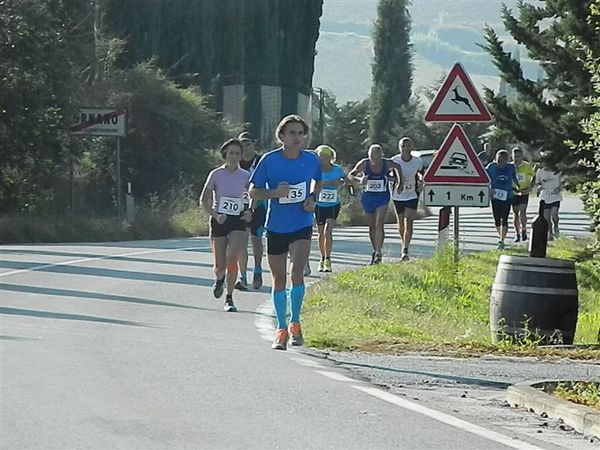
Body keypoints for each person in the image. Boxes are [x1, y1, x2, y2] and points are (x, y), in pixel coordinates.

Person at [248, 115, 322, 350]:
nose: (297, 137)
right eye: (292, 133)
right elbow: (253, 192)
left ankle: (295, 324)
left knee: (296, 274)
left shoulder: (311, 160)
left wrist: (312, 198)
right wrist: (274, 194)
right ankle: (280, 328)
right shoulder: (269, 161)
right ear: (281, 136)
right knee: (279, 279)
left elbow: (317, 182)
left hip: (301, 224)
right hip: (276, 226)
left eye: (300, 133)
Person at [200, 139, 252, 312]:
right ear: (225, 154)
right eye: (231, 153)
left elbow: (254, 196)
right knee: (219, 265)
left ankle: (229, 298)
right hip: (219, 220)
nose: (234, 156)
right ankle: (219, 278)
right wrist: (216, 215)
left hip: (237, 220)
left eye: (237, 153)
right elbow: (204, 200)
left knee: (233, 258)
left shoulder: (245, 175)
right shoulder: (216, 174)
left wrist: (250, 210)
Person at [348, 144, 402, 264]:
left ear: (381, 156)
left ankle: (378, 252)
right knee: (372, 225)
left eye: (377, 158)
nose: (375, 161)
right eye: (372, 158)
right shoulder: (364, 163)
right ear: (369, 156)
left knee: (379, 223)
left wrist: (399, 181)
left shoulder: (387, 163)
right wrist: (359, 180)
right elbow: (351, 175)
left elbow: (398, 167)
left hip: (382, 197)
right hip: (368, 197)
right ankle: (375, 250)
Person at [236, 131, 266, 290]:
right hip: (240, 205)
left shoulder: (260, 160)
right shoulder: (235, 162)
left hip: (259, 205)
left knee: (256, 239)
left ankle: (258, 270)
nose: (245, 148)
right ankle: (242, 277)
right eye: (242, 145)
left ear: (254, 145)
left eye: (248, 144)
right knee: (241, 240)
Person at [390, 137, 424, 261]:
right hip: (398, 195)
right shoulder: (394, 160)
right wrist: (398, 181)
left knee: (408, 221)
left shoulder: (417, 161)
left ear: (412, 147)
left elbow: (421, 173)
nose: (405, 148)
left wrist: (421, 180)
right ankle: (403, 242)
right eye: (403, 146)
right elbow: (387, 175)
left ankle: (405, 250)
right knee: (401, 226)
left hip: (412, 194)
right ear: (399, 147)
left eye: (408, 145)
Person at [314, 145, 345, 272]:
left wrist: (338, 182)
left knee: (328, 231)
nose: (323, 160)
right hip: (319, 205)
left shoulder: (336, 169)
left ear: (330, 158)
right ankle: (321, 258)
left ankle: (328, 259)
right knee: (320, 233)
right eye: (321, 157)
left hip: (333, 204)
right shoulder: (315, 170)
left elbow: (343, 180)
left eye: (326, 157)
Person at [486, 149, 518, 250]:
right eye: (499, 161)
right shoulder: (491, 167)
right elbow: (484, 178)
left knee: (504, 218)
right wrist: (488, 189)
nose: (501, 163)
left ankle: (502, 239)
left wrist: (518, 187)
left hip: (507, 196)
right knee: (497, 219)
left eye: (504, 161)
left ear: (507, 160)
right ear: (496, 160)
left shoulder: (511, 167)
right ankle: (500, 234)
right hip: (495, 196)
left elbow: (514, 178)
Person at [511, 146, 535, 242]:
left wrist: (530, 187)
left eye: (518, 156)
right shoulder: (510, 166)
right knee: (515, 212)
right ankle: (517, 233)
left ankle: (524, 229)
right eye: (515, 156)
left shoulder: (526, 166)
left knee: (522, 211)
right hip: (514, 192)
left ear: (522, 156)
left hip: (524, 191)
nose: (516, 158)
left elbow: (534, 176)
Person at [535, 164, 563, 240]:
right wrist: (539, 188)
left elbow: (562, 182)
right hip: (545, 195)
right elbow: (538, 182)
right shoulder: (540, 171)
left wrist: (559, 189)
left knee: (554, 215)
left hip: (555, 195)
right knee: (546, 217)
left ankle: (556, 225)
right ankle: (550, 234)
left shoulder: (557, 170)